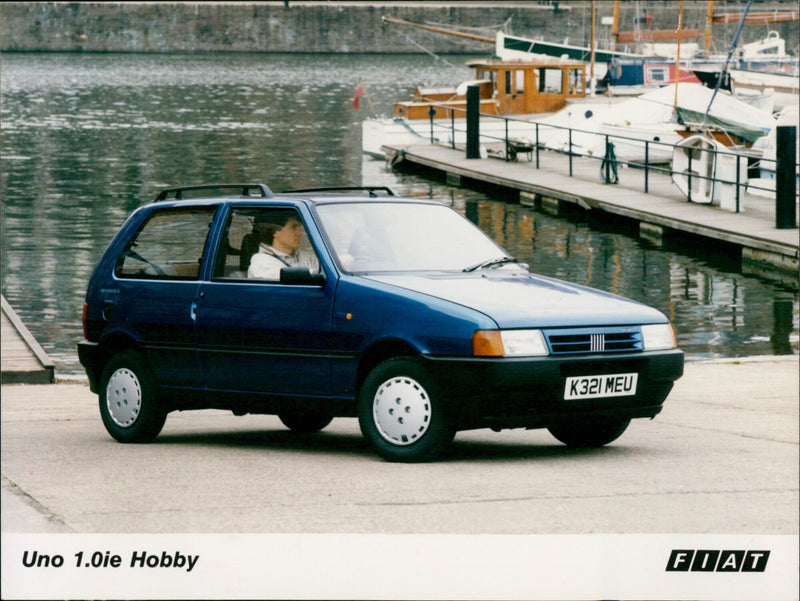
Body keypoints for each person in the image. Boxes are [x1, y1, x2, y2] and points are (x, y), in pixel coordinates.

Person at [247, 211, 320, 280]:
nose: (300, 232)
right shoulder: (261, 262)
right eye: (294, 227)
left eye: (300, 227)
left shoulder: (307, 257)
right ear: (275, 232)